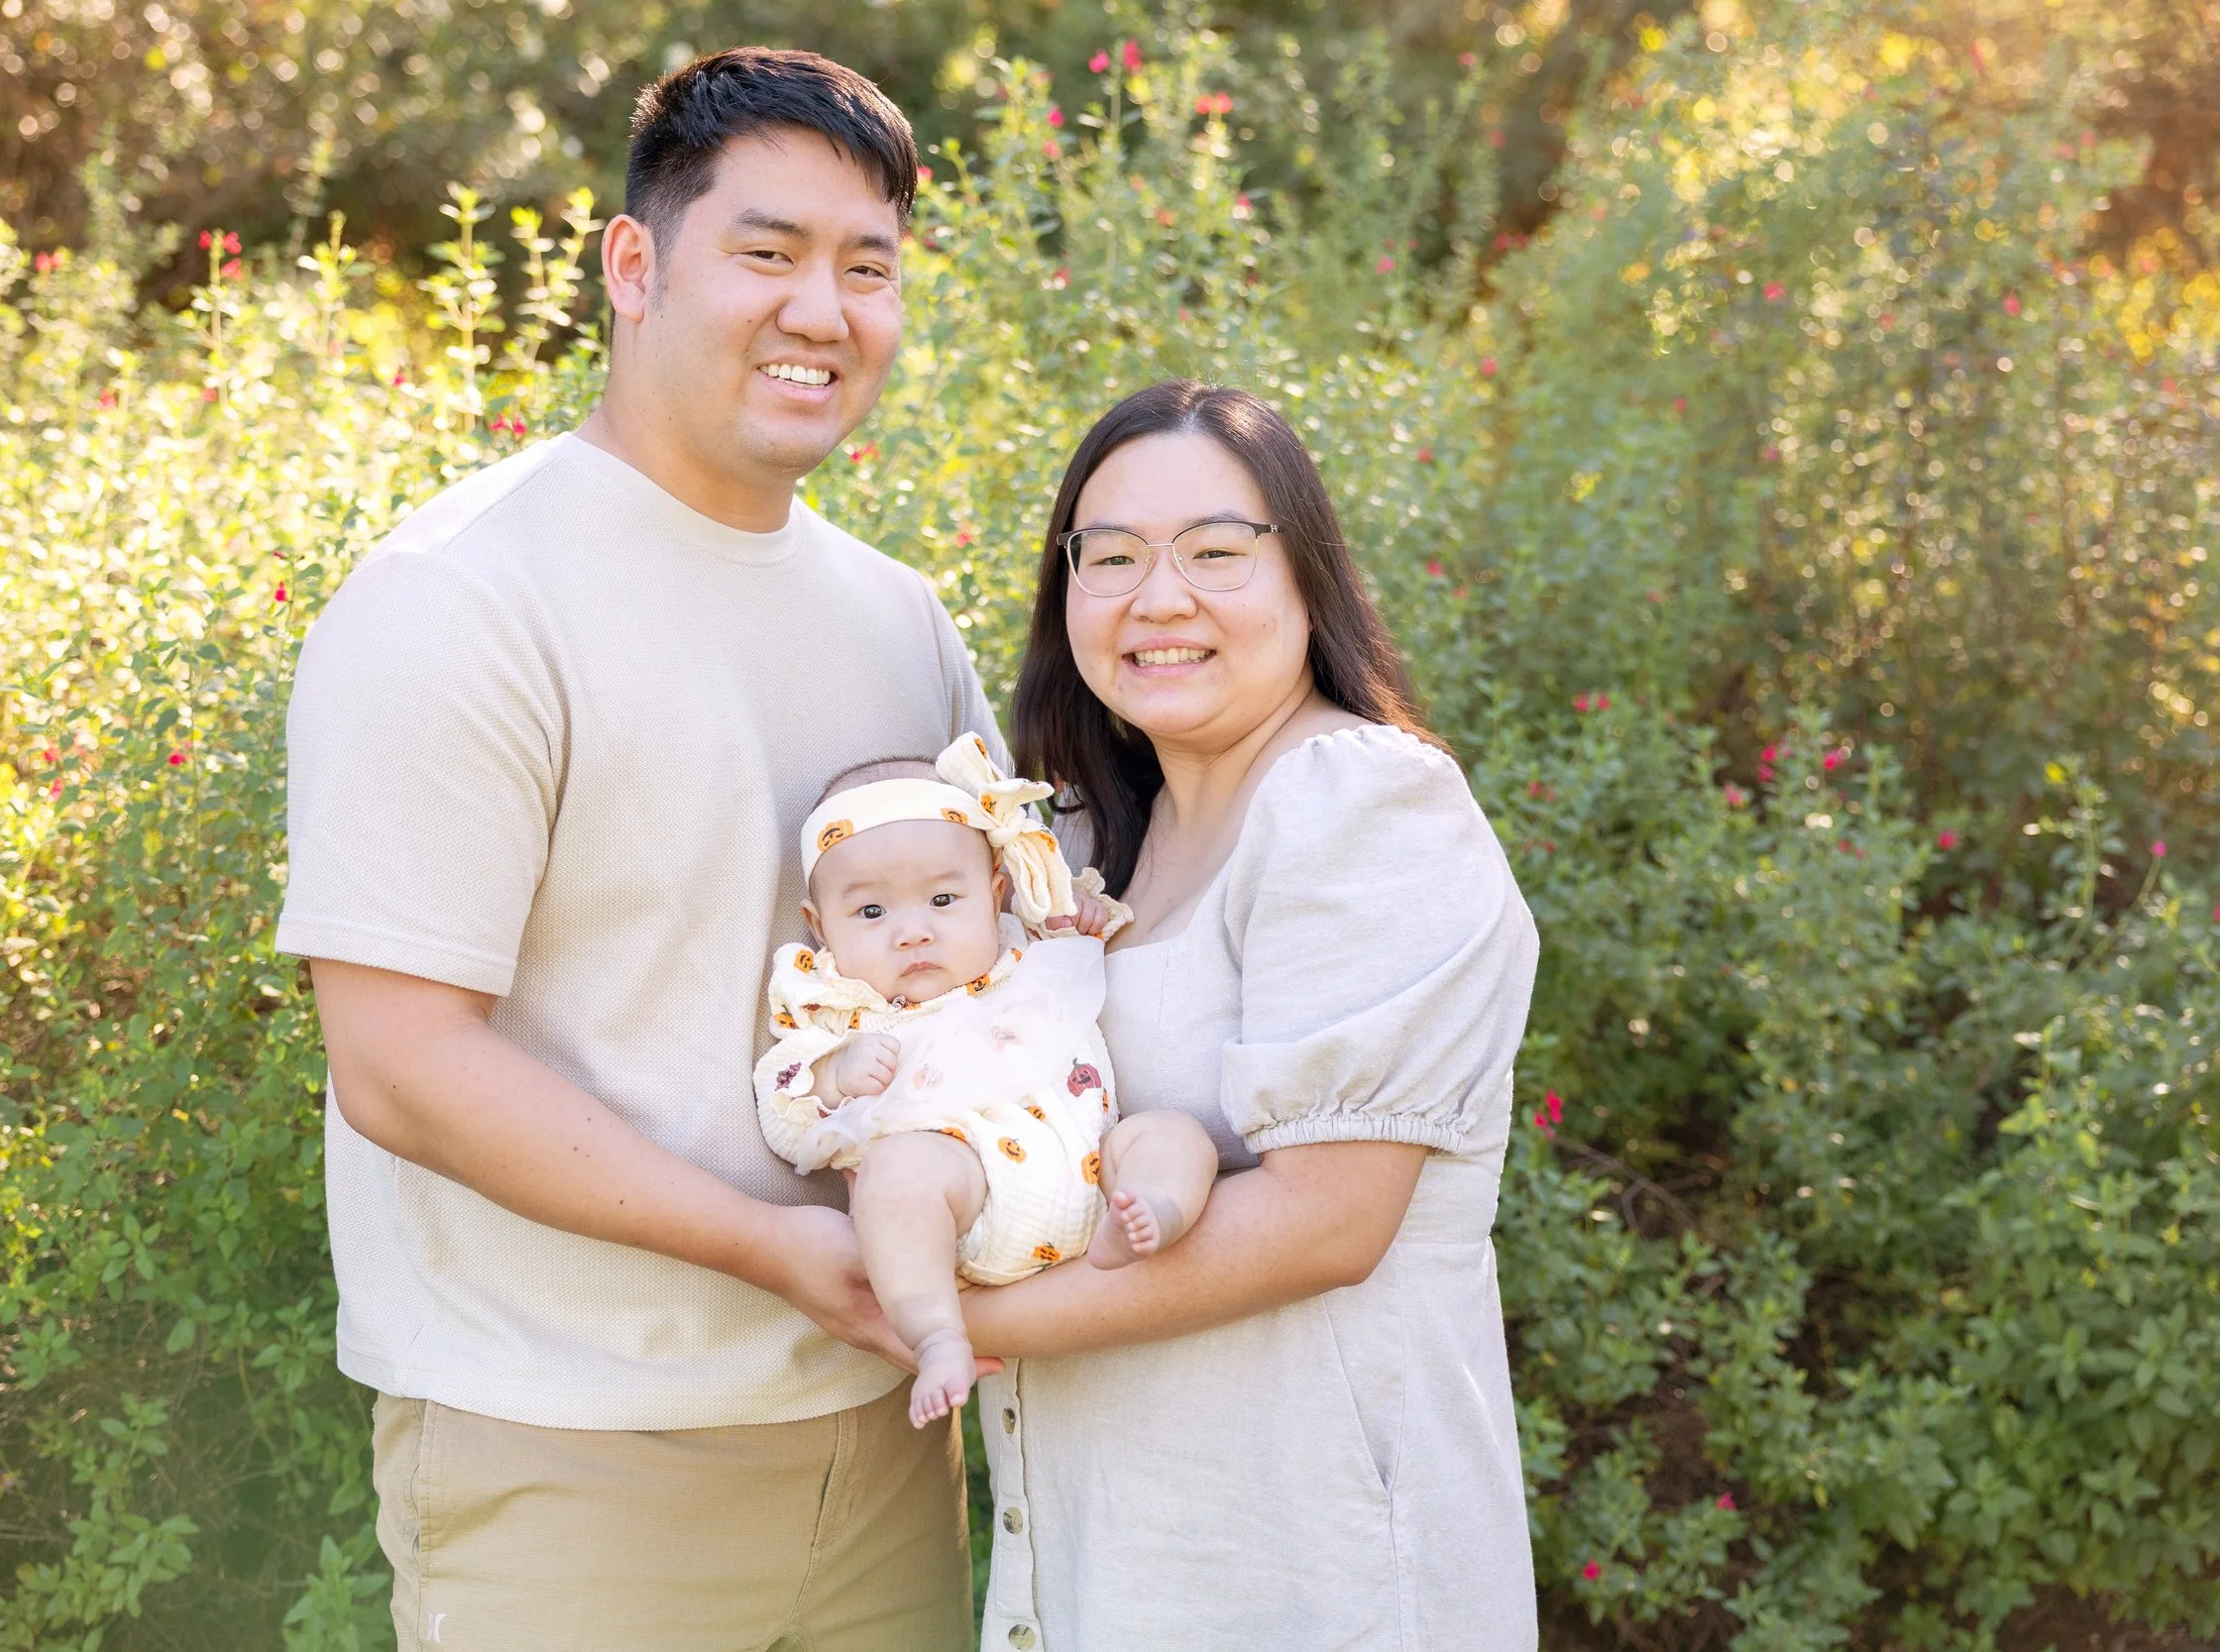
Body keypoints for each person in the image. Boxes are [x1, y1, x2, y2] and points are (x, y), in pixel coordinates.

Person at [276, 48, 986, 1652]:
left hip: (887, 1444)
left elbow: (987, 987)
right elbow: (397, 1061)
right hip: (573, 1450)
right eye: (770, 251)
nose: (825, 309)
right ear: (634, 262)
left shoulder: (899, 620)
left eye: (867, 268)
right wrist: (775, 1247)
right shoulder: (458, 598)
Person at [963, 381, 1542, 1650]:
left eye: (1216, 553)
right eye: (1107, 556)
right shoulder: (1085, 846)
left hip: (1307, 1570)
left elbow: (1326, 1219)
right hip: (1117, 1559)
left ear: (1306, 580)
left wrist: (942, 1321)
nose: (1156, 597)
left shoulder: (1358, 805)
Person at [753, 736, 1218, 1428]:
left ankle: (1150, 1212)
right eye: (872, 913)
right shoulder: (838, 1006)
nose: (913, 932)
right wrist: (833, 1071)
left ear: (995, 891)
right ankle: (938, 1333)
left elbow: (1094, 940)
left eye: (943, 898)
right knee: (897, 1175)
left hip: (1095, 1170)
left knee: (1170, 1135)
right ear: (821, 926)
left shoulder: (1026, 945)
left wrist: (1083, 918)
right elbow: (783, 1106)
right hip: (964, 1205)